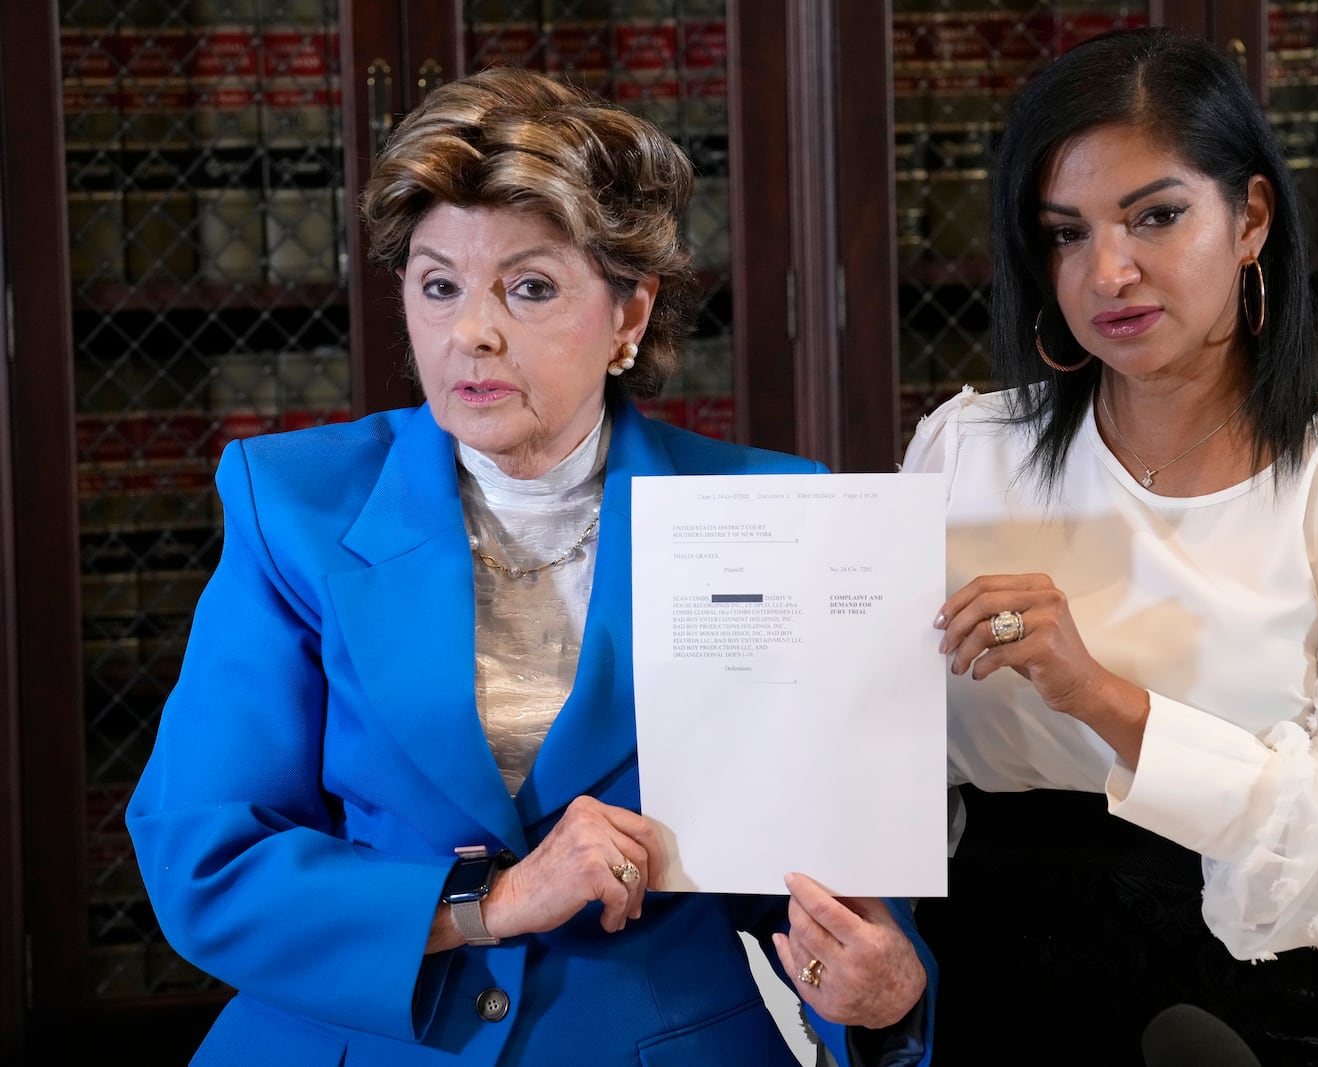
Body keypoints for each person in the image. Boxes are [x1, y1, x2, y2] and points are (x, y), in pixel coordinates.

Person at [126, 67, 933, 1066]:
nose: (472, 331)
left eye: (531, 286)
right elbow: (205, 854)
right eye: (438, 285)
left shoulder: (768, 510)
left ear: (629, 313)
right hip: (356, 1040)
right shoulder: (293, 503)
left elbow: (822, 876)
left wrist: (883, 993)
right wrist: (489, 902)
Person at [904, 27, 1318, 1065]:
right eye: (1064, 233)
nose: (1108, 270)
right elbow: (887, 759)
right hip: (991, 983)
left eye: (1155, 216)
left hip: (1256, 999)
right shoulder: (963, 450)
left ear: (1250, 216)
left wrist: (1104, 698)